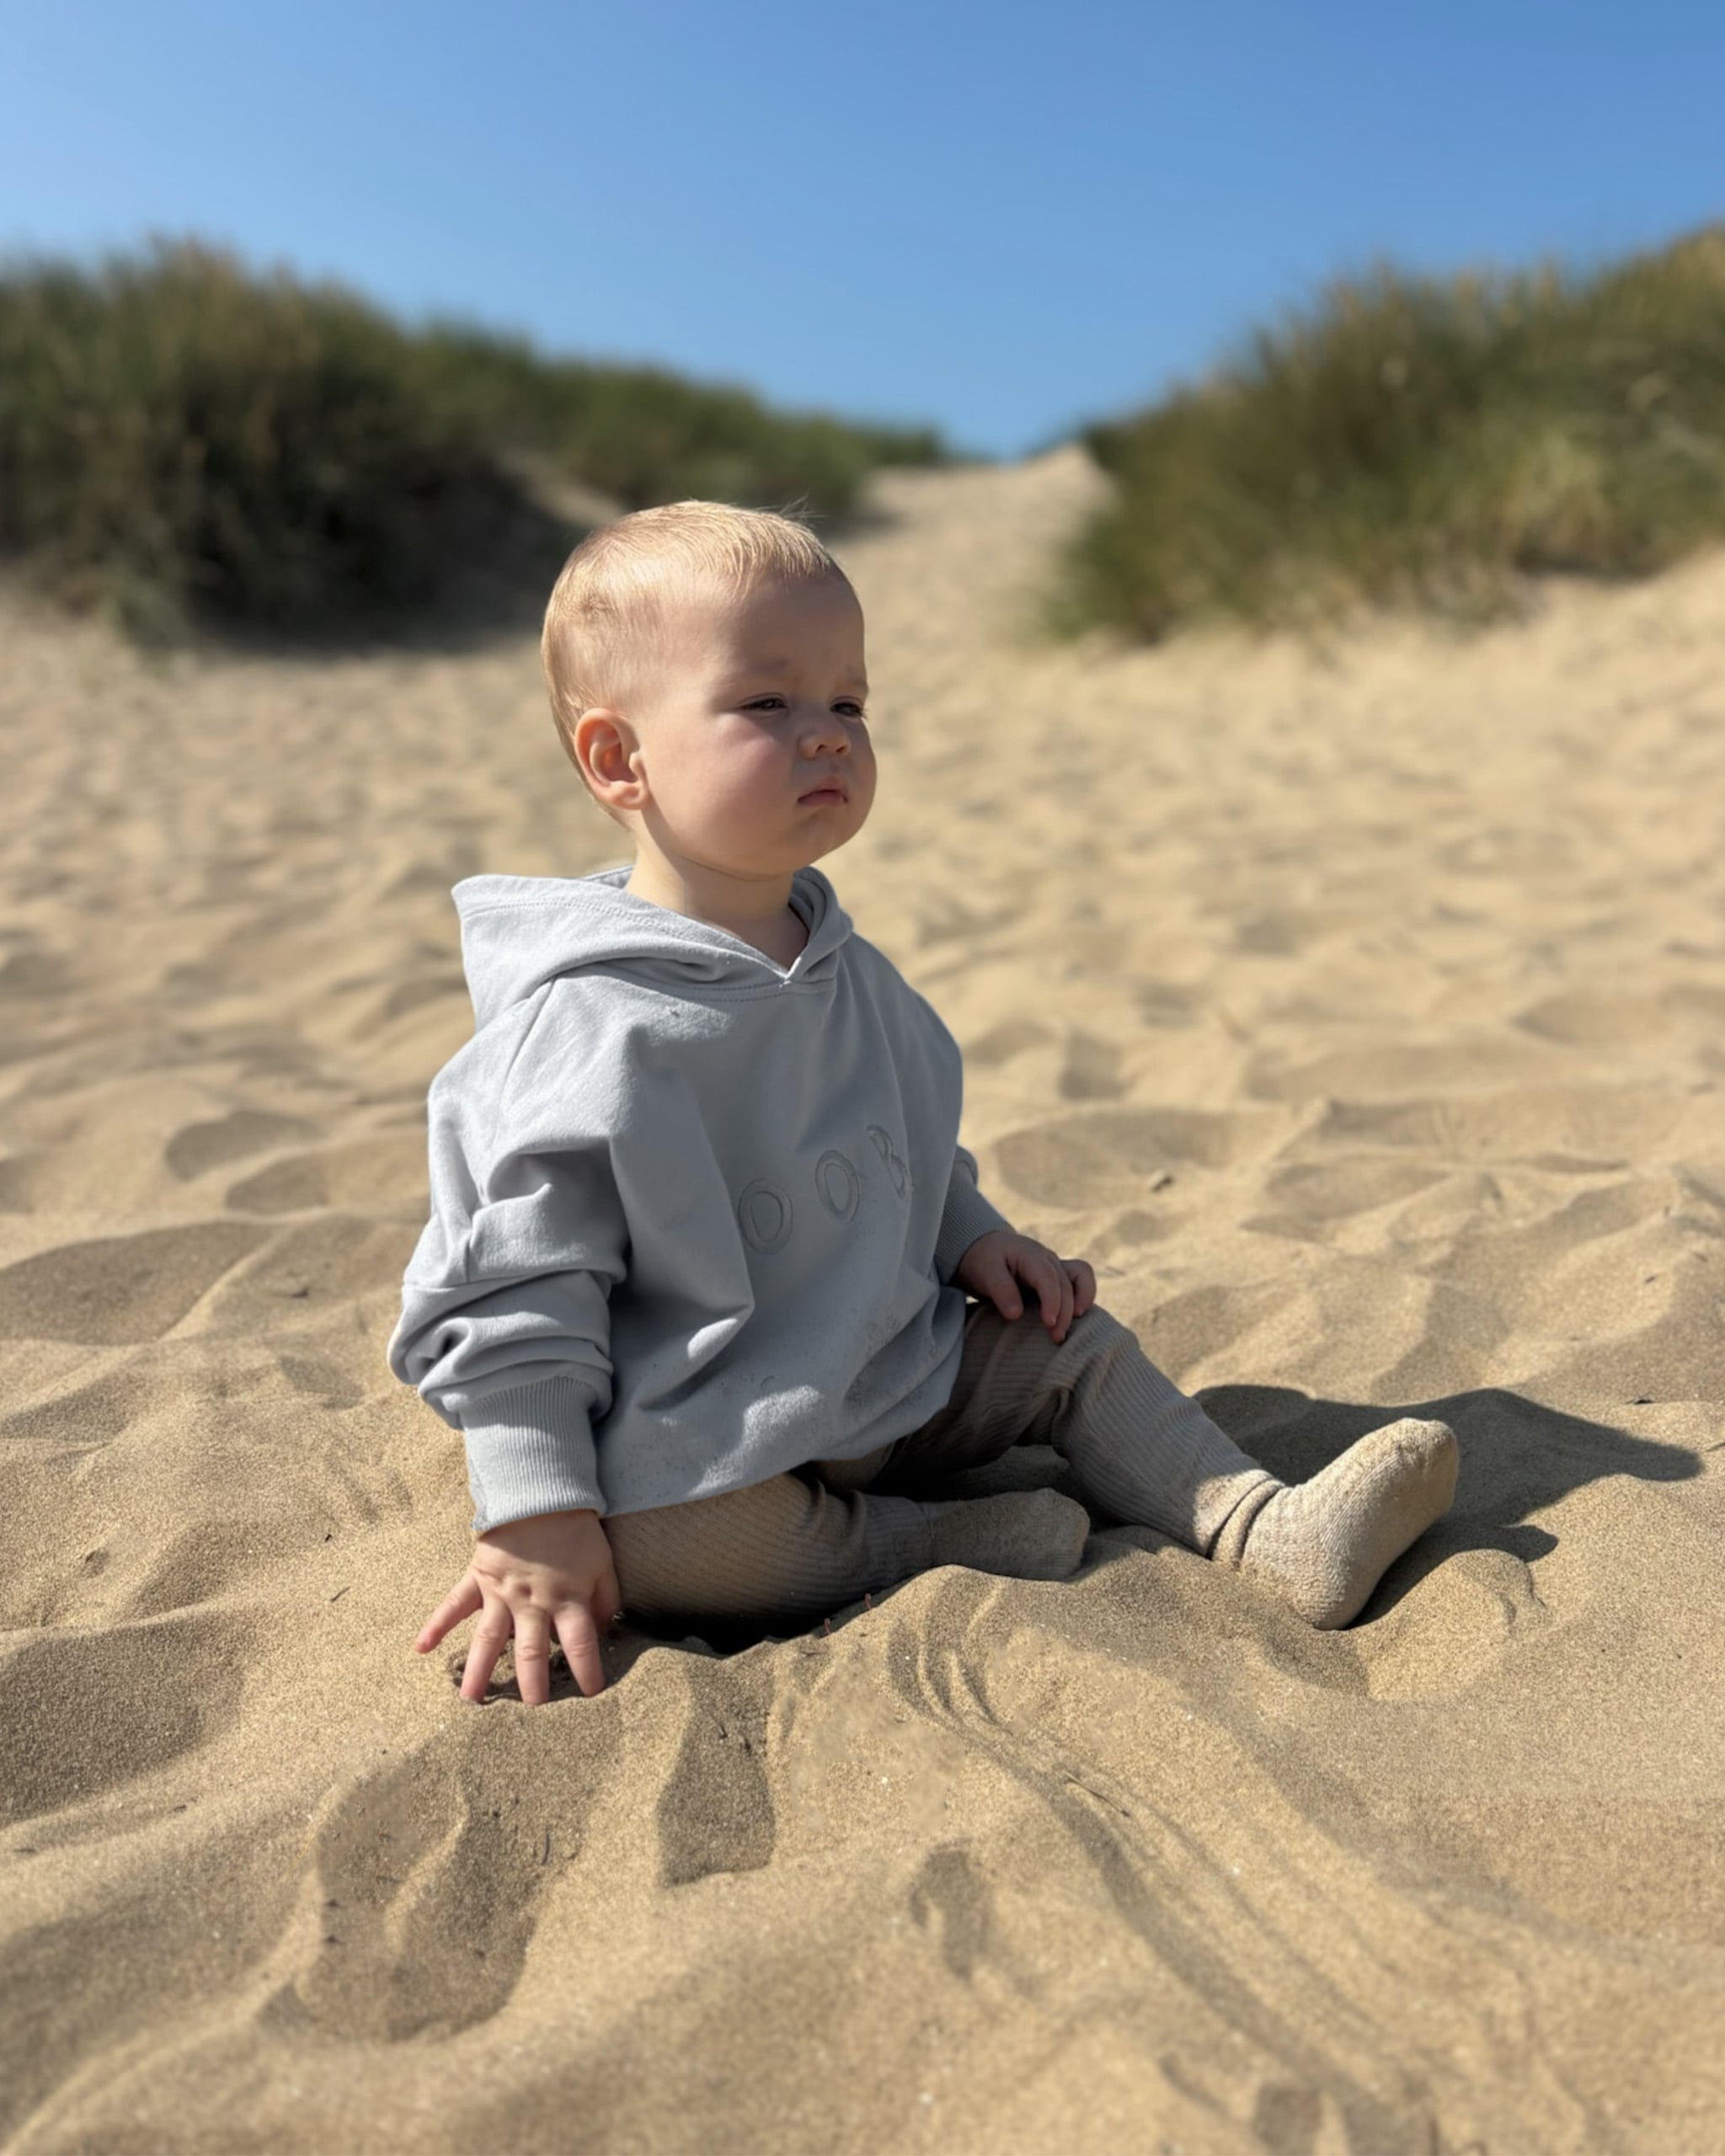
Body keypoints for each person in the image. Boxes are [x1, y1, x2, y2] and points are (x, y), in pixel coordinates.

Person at [388, 501, 1457, 1707]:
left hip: (891, 1362)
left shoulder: (844, 964)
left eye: (849, 704)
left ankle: (1264, 1527)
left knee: (1071, 1351)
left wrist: (974, 1238)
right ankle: (923, 1545)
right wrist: (532, 1510)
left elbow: (898, 1133)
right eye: (768, 704)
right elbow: (517, 1286)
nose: (828, 736)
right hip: (709, 1422)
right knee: (664, 1535)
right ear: (618, 760)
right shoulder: (580, 1024)